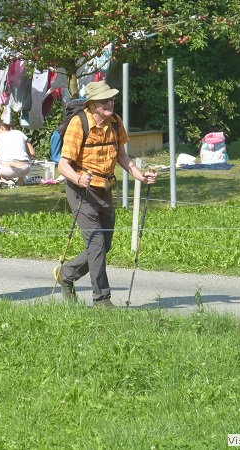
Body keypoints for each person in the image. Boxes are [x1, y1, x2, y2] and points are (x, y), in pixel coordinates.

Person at [53, 80, 158, 308]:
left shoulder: (115, 122)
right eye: (104, 101)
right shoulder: (78, 125)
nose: (110, 103)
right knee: (96, 244)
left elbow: (122, 156)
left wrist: (140, 175)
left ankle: (67, 274)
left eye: (111, 99)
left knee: (104, 245)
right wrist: (79, 178)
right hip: (81, 190)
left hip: (105, 188)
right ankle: (102, 300)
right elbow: (63, 166)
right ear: (91, 104)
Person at [0, 120, 36, 185]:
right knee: (27, 157)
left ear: (2, 128)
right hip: (23, 169)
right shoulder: (19, 133)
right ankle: (20, 180)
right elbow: (32, 153)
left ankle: (3, 179)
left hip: (4, 170)